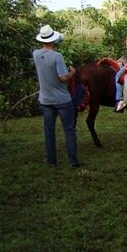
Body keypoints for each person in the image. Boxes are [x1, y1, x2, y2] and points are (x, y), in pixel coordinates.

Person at [32, 24, 81, 167]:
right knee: (69, 130)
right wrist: (72, 72)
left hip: (45, 99)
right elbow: (63, 78)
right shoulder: (57, 56)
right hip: (62, 99)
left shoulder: (35, 54)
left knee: (49, 131)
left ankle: (51, 161)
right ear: (53, 40)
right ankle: (73, 160)